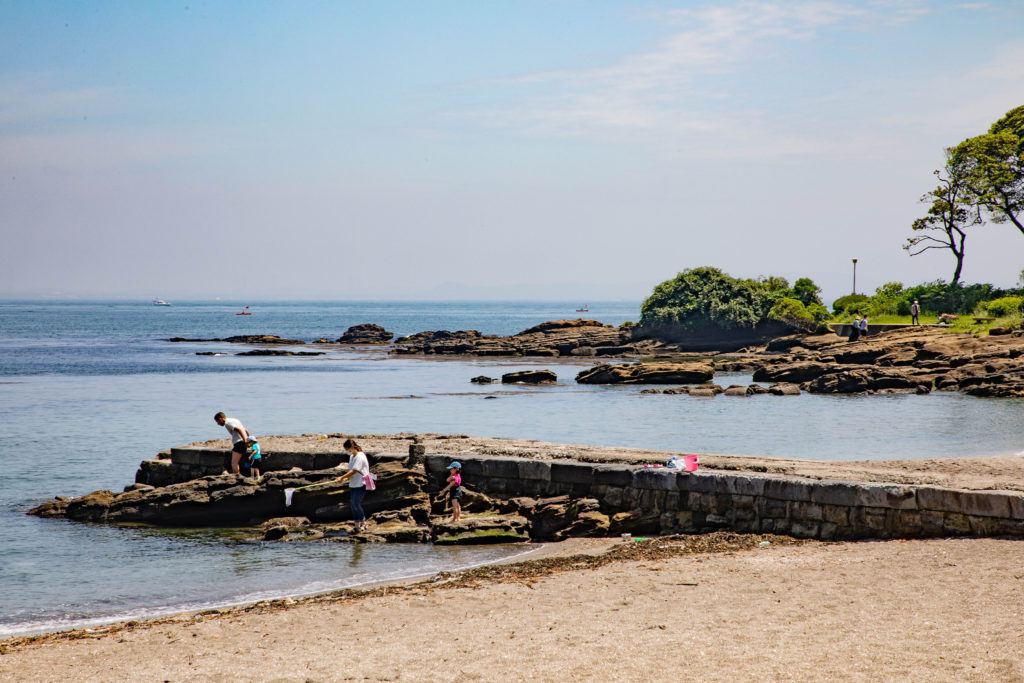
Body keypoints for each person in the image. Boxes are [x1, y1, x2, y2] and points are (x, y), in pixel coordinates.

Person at [334, 438, 370, 532]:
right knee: (353, 504)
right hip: (354, 483)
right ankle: (357, 525)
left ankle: (363, 523)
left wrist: (341, 477)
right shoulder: (352, 457)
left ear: (352, 447)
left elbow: (355, 470)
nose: (347, 452)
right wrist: (344, 479)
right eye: (346, 450)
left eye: (348, 450)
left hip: (361, 483)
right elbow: (350, 471)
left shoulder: (360, 456)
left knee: (356, 503)